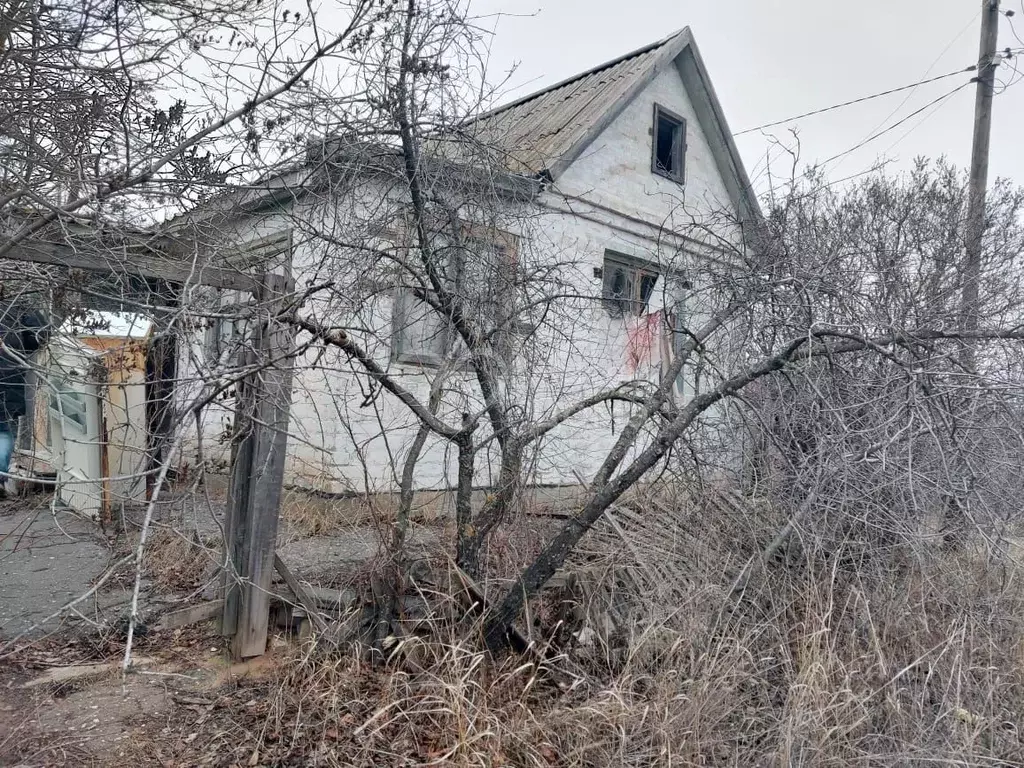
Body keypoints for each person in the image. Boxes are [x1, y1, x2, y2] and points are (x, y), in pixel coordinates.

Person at [0, 306, 49, 496]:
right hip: (7, 376)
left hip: (7, 377)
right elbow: (39, 336)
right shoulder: (16, 307)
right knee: (2, 430)